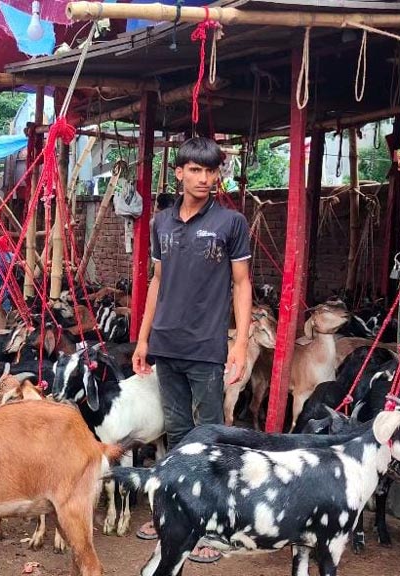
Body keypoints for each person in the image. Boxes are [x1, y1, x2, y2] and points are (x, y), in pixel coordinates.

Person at [131, 137, 253, 563]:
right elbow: (157, 282)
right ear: (179, 172)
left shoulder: (230, 223)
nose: (205, 178)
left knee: (211, 436)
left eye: (211, 170)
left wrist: (238, 342)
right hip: (166, 343)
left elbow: (242, 284)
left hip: (206, 346)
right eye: (196, 170)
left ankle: (213, 527)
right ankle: (178, 516)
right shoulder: (162, 223)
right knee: (179, 435)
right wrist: (144, 339)